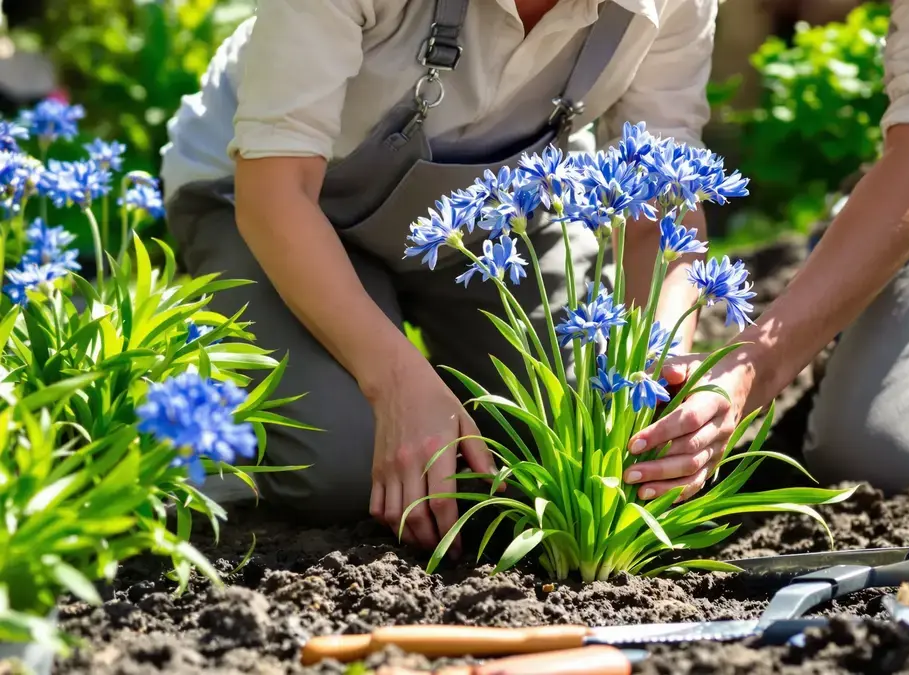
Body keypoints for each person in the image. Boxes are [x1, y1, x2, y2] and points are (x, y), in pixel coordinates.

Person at [159, 0, 717, 552]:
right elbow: (275, 198)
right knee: (346, 467)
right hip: (268, 202)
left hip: (495, 217)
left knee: (576, 441)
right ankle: (189, 438)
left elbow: (661, 200)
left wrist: (657, 363)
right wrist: (396, 384)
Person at [624, 1, 909, 501]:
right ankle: (845, 320)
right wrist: (660, 366)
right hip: (821, 150)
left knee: (879, 458)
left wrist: (753, 370)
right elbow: (660, 148)